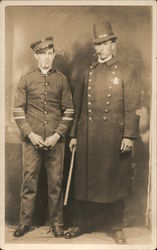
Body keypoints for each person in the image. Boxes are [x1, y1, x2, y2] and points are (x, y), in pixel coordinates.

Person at [64, 21, 140, 244]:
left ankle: (116, 227)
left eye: (105, 43)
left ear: (113, 44)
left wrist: (129, 135)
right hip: (87, 134)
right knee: (84, 180)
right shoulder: (88, 71)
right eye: (97, 44)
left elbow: (132, 105)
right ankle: (82, 222)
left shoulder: (127, 70)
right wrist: (74, 135)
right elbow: (78, 106)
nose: (100, 49)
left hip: (113, 136)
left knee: (114, 180)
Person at [13, 37, 74, 238]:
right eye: (42, 53)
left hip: (56, 142)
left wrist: (57, 136)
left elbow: (69, 111)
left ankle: (57, 223)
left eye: (50, 53)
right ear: (35, 55)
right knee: (29, 181)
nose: (46, 58)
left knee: (55, 182)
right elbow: (18, 110)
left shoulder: (62, 80)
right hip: (32, 141)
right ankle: (24, 223)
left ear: (54, 55)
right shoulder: (26, 79)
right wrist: (31, 134)